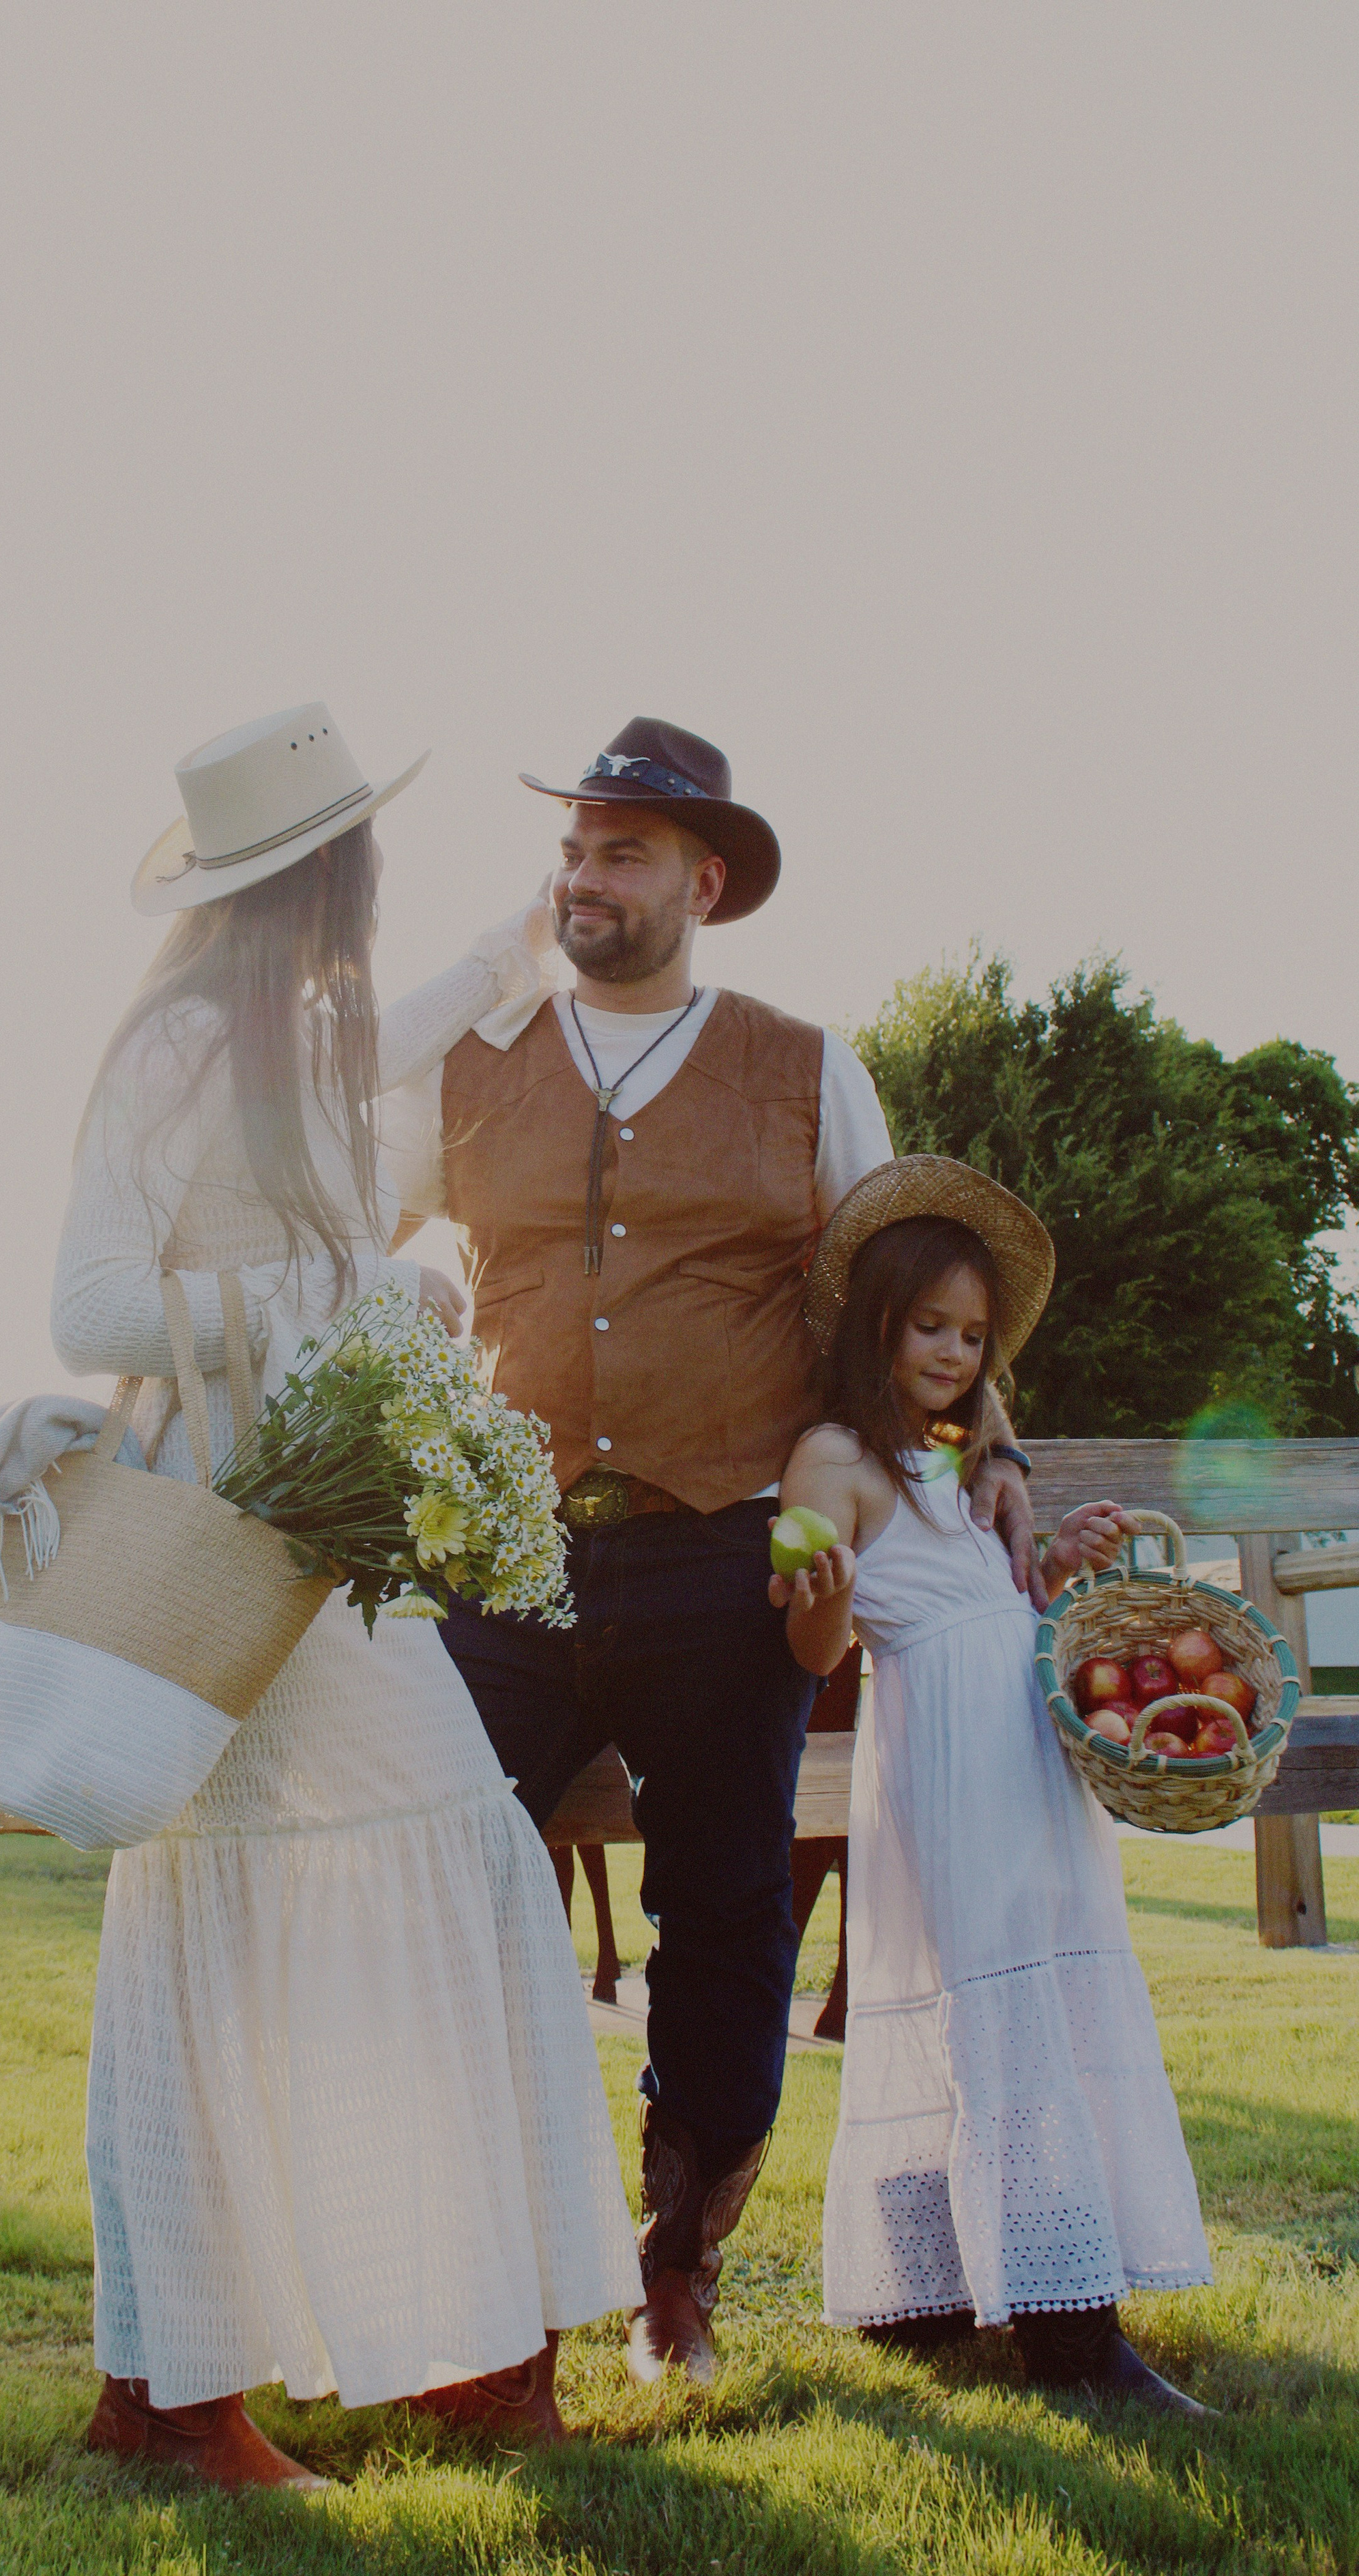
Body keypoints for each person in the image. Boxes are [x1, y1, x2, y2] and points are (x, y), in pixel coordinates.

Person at [384, 716, 1042, 2384]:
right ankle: (482, 2268)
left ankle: (675, 2262)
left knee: (730, 1913)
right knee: (432, 1879)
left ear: (703, 878)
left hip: (724, 1558)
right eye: (572, 848)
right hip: (504, 1548)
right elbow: (349, 1236)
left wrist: (995, 1440)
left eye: (619, 851)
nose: (581, 876)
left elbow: (899, 1294)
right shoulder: (472, 1053)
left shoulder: (799, 1062)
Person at [53, 704, 640, 2493]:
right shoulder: (171, 1048)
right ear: (322, 873)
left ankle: (458, 2351)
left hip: (327, 1537)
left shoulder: (282, 1038)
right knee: (294, 1909)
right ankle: (174, 2401)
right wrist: (325, 1318)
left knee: (451, 1865)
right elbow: (89, 1307)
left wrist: (520, 941)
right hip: (230, 1538)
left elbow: (397, 1045)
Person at [774, 1156, 1215, 2415]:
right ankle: (1073, 2339)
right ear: (876, 1326)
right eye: (930, 1328)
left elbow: (1007, 1605)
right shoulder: (832, 1460)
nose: (955, 1353)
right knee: (990, 1999)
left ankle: (931, 2285)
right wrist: (823, 1597)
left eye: (972, 1335)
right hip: (949, 1758)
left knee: (1043, 1981)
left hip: (1027, 1751)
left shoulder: (968, 1461)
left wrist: (1057, 1560)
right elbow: (812, 1647)